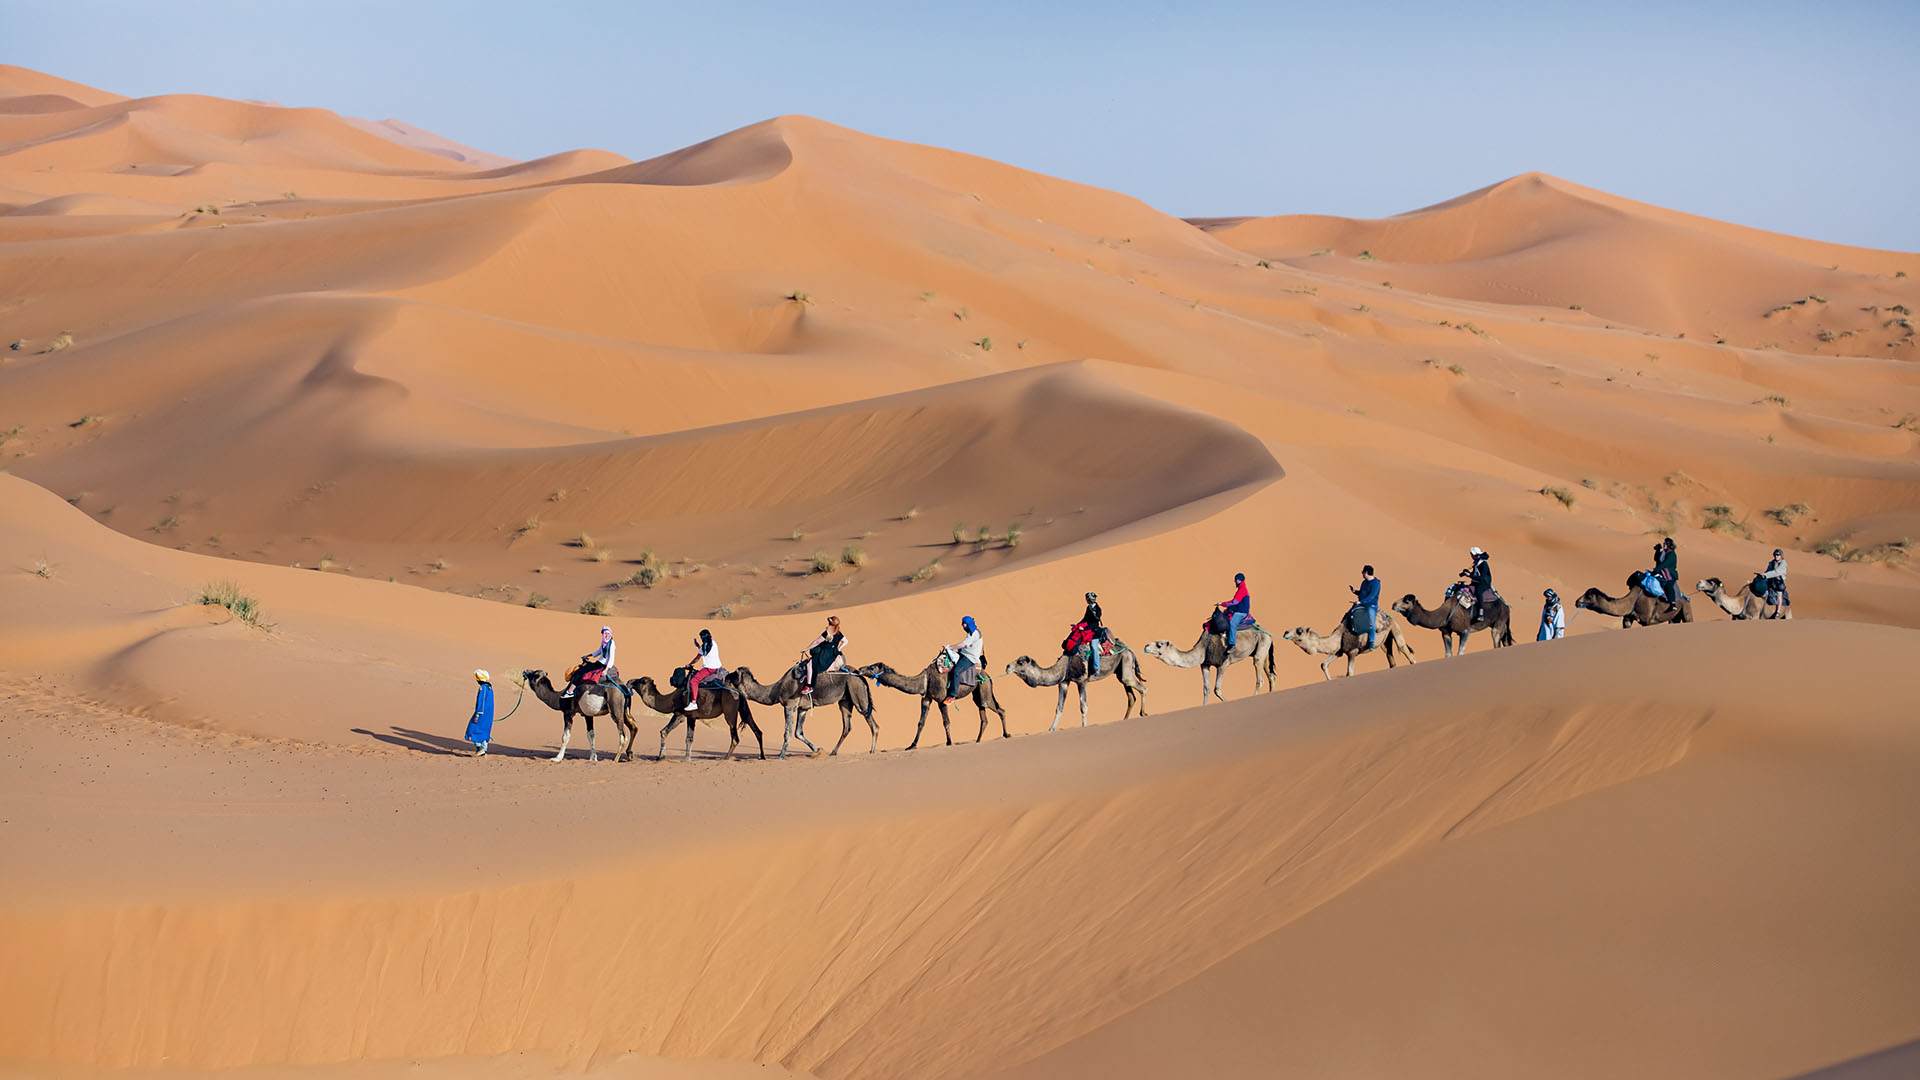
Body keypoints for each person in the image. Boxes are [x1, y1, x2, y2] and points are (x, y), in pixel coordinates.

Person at [563, 625, 616, 699]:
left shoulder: (611, 644)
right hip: (598, 663)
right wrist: (587, 655)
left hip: (603, 665)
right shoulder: (604, 642)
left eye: (608, 633)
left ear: (611, 634)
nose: (606, 635)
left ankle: (570, 692)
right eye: (605, 634)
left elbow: (611, 658)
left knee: (580, 672)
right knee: (581, 669)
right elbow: (599, 651)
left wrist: (606, 670)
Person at [800, 615, 847, 696]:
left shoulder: (827, 633)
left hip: (824, 655)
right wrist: (839, 648)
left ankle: (809, 686)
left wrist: (806, 649)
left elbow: (816, 642)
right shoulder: (839, 634)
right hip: (832, 654)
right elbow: (846, 641)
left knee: (809, 665)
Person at [945, 615, 984, 703]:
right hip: (964, 653)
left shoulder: (974, 634)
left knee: (957, 671)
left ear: (967, 624)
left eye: (963, 624)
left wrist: (950, 647)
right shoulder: (971, 632)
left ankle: (952, 695)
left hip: (970, 657)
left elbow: (963, 644)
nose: (962, 626)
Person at [682, 628, 722, 710]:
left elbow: (697, 658)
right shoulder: (714, 643)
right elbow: (706, 651)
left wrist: (689, 664)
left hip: (709, 669)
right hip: (717, 666)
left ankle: (693, 703)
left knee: (693, 681)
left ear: (702, 638)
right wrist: (698, 646)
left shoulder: (703, 647)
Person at [1070, 591, 1104, 675]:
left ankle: (1097, 669)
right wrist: (1077, 625)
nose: (1087, 600)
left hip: (1094, 631)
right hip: (1087, 630)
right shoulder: (1089, 608)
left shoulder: (1098, 610)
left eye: (1088, 599)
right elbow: (1085, 619)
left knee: (1093, 647)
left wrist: (1084, 628)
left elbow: (1095, 622)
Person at [1216, 573, 1252, 649]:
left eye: (1236, 580)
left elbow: (1234, 602)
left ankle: (1232, 644)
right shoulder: (1241, 589)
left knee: (1232, 623)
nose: (1234, 581)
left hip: (1241, 612)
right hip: (1237, 610)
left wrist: (1222, 603)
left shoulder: (1242, 590)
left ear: (1239, 580)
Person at [1349, 565, 1381, 651]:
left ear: (1366, 572)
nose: (1362, 573)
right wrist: (1355, 591)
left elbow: (1371, 596)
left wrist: (1360, 602)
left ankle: (1371, 642)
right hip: (1361, 604)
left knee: (1371, 622)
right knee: (1349, 614)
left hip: (1371, 605)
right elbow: (1362, 593)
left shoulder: (1375, 584)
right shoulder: (1364, 582)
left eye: (1362, 572)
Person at [465, 668, 495, 756]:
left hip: (482, 714)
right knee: (484, 730)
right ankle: (483, 750)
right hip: (488, 714)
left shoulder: (483, 688)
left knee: (473, 729)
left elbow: (481, 703)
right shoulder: (489, 687)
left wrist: (477, 715)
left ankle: (480, 748)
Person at [1462, 547, 1493, 622]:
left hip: (1484, 583)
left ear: (1476, 555)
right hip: (1477, 581)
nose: (1471, 556)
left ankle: (1481, 613)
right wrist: (1467, 573)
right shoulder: (1476, 562)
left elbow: (1482, 577)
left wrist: (1470, 575)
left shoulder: (1483, 564)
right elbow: (1475, 573)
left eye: (1472, 554)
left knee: (1478, 591)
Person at [1761, 549, 1791, 619]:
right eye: (1775, 555)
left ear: (1781, 556)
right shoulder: (1772, 563)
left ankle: (1778, 612)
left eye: (1778, 555)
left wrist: (1766, 575)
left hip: (1779, 582)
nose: (1776, 556)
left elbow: (1776, 572)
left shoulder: (1783, 564)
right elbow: (1768, 571)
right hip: (1771, 581)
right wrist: (1763, 575)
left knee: (1779, 595)